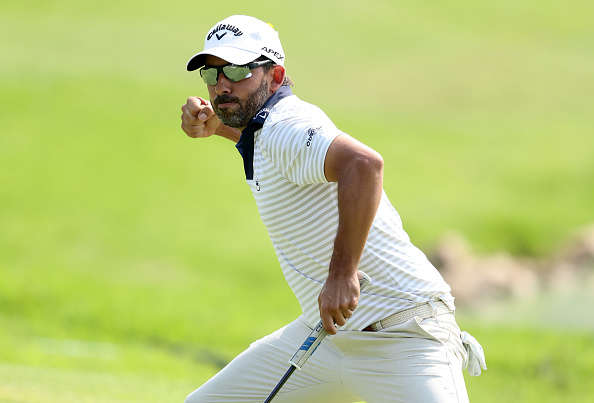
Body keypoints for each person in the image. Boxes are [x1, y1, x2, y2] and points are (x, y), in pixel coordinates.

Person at [181, 15, 486, 403]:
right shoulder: (266, 130)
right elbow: (266, 143)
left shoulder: (287, 123)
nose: (222, 86)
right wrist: (218, 128)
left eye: (239, 70)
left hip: (404, 337)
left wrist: (343, 274)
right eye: (213, 73)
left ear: (275, 77)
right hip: (325, 340)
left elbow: (364, 165)